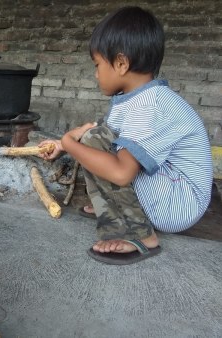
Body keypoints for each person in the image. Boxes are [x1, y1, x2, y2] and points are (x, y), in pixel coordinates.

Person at [38, 6, 213, 265]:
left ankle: (140, 235)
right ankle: (112, 208)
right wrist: (63, 144)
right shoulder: (137, 98)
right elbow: (101, 128)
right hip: (170, 189)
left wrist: (69, 143)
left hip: (180, 203)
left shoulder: (150, 106)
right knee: (95, 138)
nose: (96, 74)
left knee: (95, 145)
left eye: (97, 65)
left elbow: (121, 173)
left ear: (121, 63)